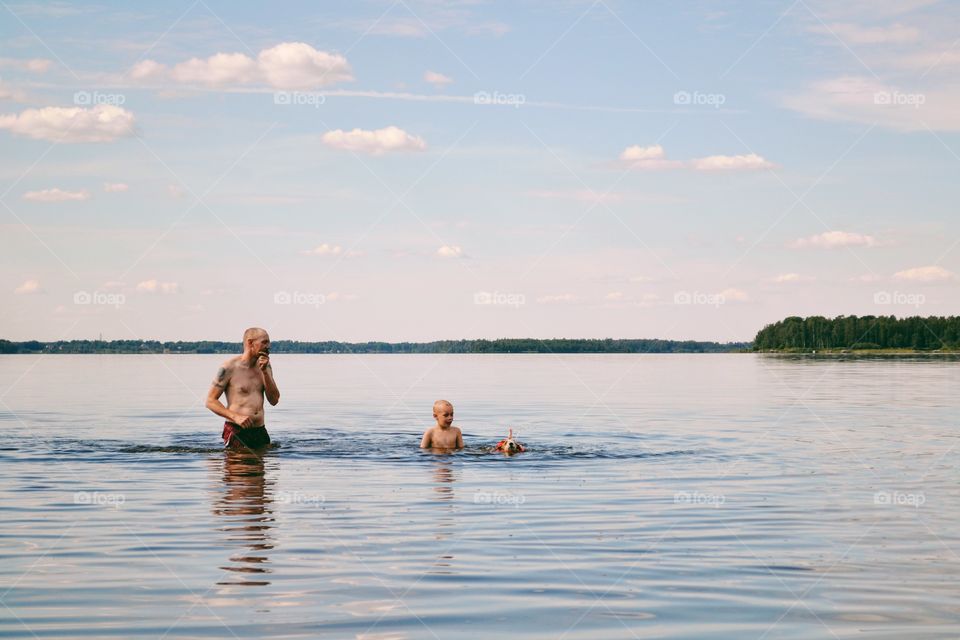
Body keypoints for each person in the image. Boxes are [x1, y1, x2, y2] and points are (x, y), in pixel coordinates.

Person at [206, 327, 280, 450]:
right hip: (237, 430)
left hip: (259, 430)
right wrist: (235, 417)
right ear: (250, 343)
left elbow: (274, 400)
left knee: (260, 469)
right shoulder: (228, 367)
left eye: (269, 342)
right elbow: (210, 401)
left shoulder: (266, 366)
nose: (269, 346)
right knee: (239, 467)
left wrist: (265, 372)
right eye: (264, 342)